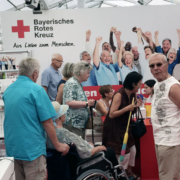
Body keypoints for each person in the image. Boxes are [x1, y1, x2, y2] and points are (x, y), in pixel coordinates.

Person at [3, 57, 69, 180]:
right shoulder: (36, 90)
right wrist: (58, 145)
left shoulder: (8, 91)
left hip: (13, 149)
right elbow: (48, 122)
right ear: (35, 73)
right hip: (32, 150)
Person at [46, 101, 121, 180]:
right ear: (60, 117)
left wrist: (86, 144)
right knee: (109, 151)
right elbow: (86, 153)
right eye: (64, 112)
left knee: (99, 147)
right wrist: (98, 148)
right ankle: (120, 176)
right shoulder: (63, 133)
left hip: (65, 166)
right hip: (82, 163)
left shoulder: (50, 133)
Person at [102, 71, 142, 180]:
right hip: (114, 130)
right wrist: (127, 108)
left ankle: (128, 173)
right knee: (123, 154)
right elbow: (111, 114)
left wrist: (136, 107)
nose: (140, 86)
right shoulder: (119, 94)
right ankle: (120, 175)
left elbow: (130, 113)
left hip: (125, 128)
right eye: (139, 83)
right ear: (133, 84)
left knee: (133, 151)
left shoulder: (133, 94)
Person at [149, 53, 180, 180]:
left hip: (171, 142)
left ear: (166, 65)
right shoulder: (157, 85)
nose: (155, 68)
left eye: (159, 64)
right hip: (160, 139)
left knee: (168, 177)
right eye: (152, 65)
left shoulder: (173, 87)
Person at [63, 61, 95, 138]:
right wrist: (87, 104)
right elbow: (69, 102)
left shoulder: (77, 83)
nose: (89, 75)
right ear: (81, 72)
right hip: (73, 124)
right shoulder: (72, 83)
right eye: (87, 73)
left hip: (77, 125)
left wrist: (88, 109)